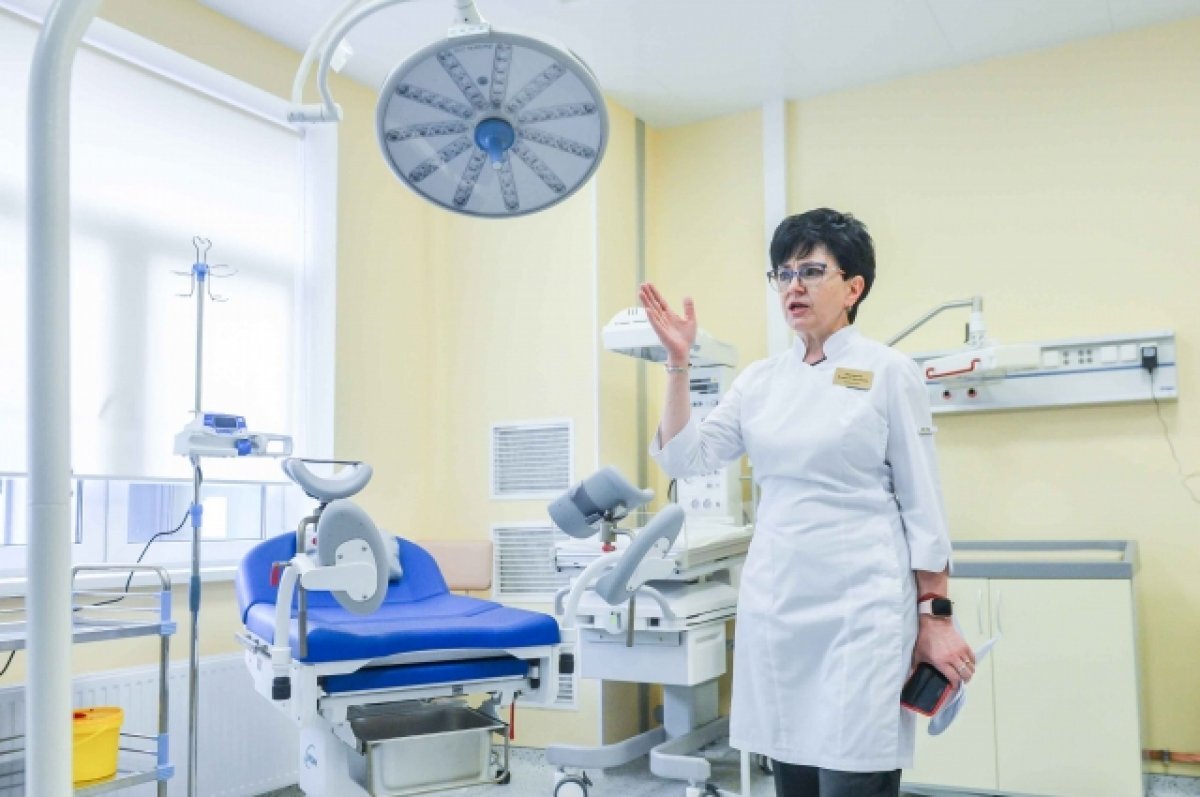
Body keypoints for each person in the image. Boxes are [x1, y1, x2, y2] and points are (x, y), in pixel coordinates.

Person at [639, 208, 973, 797]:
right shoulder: (760, 382)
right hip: (778, 605)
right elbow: (683, 458)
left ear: (853, 287)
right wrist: (678, 363)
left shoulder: (889, 372)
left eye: (812, 271)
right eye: (783, 274)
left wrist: (936, 618)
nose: (793, 286)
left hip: (863, 609)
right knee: (792, 775)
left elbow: (924, 506)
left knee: (854, 773)